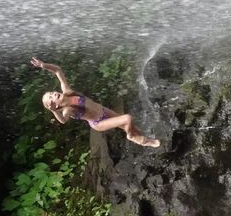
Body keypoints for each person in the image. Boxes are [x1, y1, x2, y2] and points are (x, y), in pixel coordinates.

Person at [31, 58, 160, 148]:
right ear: (55, 105)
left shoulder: (68, 92)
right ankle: (134, 138)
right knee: (127, 118)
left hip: (103, 110)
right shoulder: (68, 109)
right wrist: (54, 111)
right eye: (51, 99)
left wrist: (43, 65)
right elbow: (63, 121)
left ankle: (145, 139)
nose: (53, 94)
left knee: (129, 126)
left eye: (51, 93)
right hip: (98, 122)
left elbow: (58, 71)